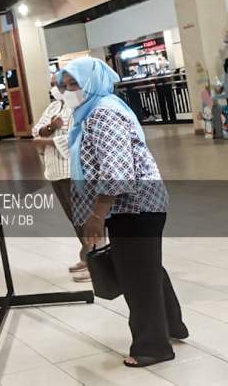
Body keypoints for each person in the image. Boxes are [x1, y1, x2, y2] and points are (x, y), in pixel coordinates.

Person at [57, 58, 187, 368]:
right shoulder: (90, 112)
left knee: (136, 276)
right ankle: (172, 326)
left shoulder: (104, 113)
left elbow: (118, 172)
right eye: (64, 85)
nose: (67, 91)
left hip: (135, 207)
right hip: (133, 207)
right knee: (146, 268)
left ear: (91, 82)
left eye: (74, 84)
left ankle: (152, 346)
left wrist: (96, 216)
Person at [31, 74, 89, 281]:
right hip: (55, 170)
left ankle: (96, 262)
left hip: (73, 170)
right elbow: (36, 131)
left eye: (60, 85)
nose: (56, 88)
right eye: (53, 85)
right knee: (73, 216)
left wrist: (48, 141)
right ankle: (86, 255)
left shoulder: (79, 105)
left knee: (85, 216)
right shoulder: (54, 107)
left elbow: (78, 135)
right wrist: (50, 128)